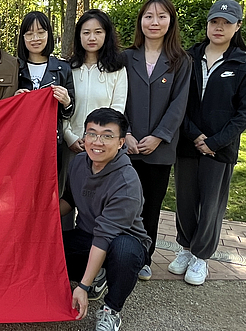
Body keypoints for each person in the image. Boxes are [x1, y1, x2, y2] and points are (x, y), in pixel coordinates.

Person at [170, 0, 246, 285]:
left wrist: (215, 141)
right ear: (207, 24)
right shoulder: (188, 57)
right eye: (214, 22)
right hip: (188, 143)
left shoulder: (245, 63)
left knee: (210, 205)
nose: (219, 28)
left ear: (237, 26)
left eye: (226, 23)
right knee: (185, 201)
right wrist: (194, 134)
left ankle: (201, 256)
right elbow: (177, 102)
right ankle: (185, 248)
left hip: (220, 149)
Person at [61, 107, 150, 331]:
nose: (97, 142)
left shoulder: (126, 182)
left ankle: (111, 309)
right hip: (87, 236)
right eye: (92, 133)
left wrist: (83, 286)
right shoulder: (79, 162)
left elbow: (104, 237)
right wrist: (36, 217)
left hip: (123, 240)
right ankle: (98, 274)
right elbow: (69, 200)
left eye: (107, 136)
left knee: (124, 252)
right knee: (47, 249)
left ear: (121, 142)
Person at [123, 0, 191, 281]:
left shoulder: (180, 61)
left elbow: (179, 104)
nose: (154, 22)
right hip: (126, 147)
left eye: (161, 16)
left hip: (159, 151)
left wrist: (159, 137)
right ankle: (118, 256)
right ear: (141, 21)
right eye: (149, 16)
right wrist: (125, 132)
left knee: (151, 207)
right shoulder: (126, 57)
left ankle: (143, 258)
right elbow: (119, 98)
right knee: (124, 204)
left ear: (170, 21)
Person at [63, 10, 128, 208]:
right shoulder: (68, 68)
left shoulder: (117, 70)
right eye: (86, 32)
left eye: (98, 32)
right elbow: (61, 108)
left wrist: (98, 139)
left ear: (107, 34)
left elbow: (117, 110)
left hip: (102, 147)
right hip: (72, 145)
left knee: (97, 202)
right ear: (78, 36)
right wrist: (70, 137)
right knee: (66, 198)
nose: (92, 37)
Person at [15, 11, 74, 188]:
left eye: (41, 32)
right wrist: (14, 101)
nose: (35, 38)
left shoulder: (62, 69)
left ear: (49, 34)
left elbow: (69, 112)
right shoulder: (15, 68)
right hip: (20, 144)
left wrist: (66, 101)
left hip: (51, 144)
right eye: (29, 33)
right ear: (22, 38)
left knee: (48, 190)